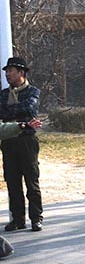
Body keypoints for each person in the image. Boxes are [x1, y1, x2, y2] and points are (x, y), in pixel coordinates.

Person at [1, 57, 42, 232]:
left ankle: (36, 217)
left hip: (27, 140)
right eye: (6, 71)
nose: (7, 74)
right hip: (9, 140)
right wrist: (17, 111)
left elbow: (30, 109)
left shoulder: (33, 91)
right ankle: (18, 218)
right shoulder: (3, 94)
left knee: (31, 180)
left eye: (10, 71)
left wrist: (11, 111)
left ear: (21, 73)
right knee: (12, 180)